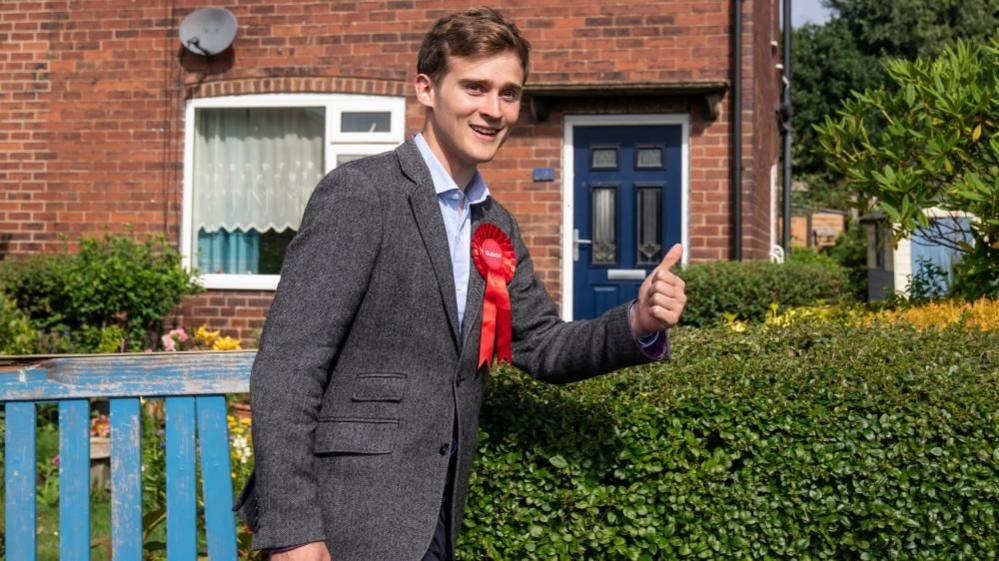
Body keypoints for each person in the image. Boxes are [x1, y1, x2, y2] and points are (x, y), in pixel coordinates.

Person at [235, 7, 687, 561]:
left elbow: (542, 344)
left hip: (435, 514)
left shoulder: (495, 223)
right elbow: (288, 366)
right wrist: (295, 531)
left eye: (509, 93)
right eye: (475, 87)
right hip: (342, 518)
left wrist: (637, 322)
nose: (493, 110)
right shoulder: (361, 194)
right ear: (426, 88)